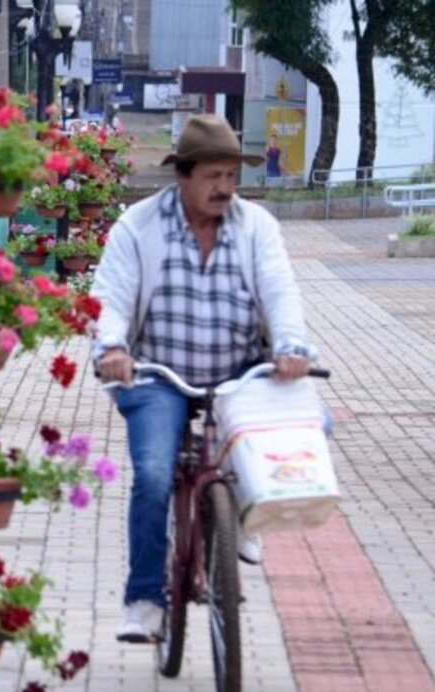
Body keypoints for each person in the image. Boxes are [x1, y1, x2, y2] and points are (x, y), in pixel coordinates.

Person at [90, 114, 315, 643]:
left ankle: (238, 511)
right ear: (183, 176)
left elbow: (281, 290)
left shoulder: (256, 226)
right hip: (156, 374)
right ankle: (145, 598)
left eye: (232, 177)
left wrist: (290, 347)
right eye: (213, 176)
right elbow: (111, 296)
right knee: (151, 473)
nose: (224, 189)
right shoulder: (138, 226)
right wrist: (113, 348)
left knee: (299, 429)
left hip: (240, 373)